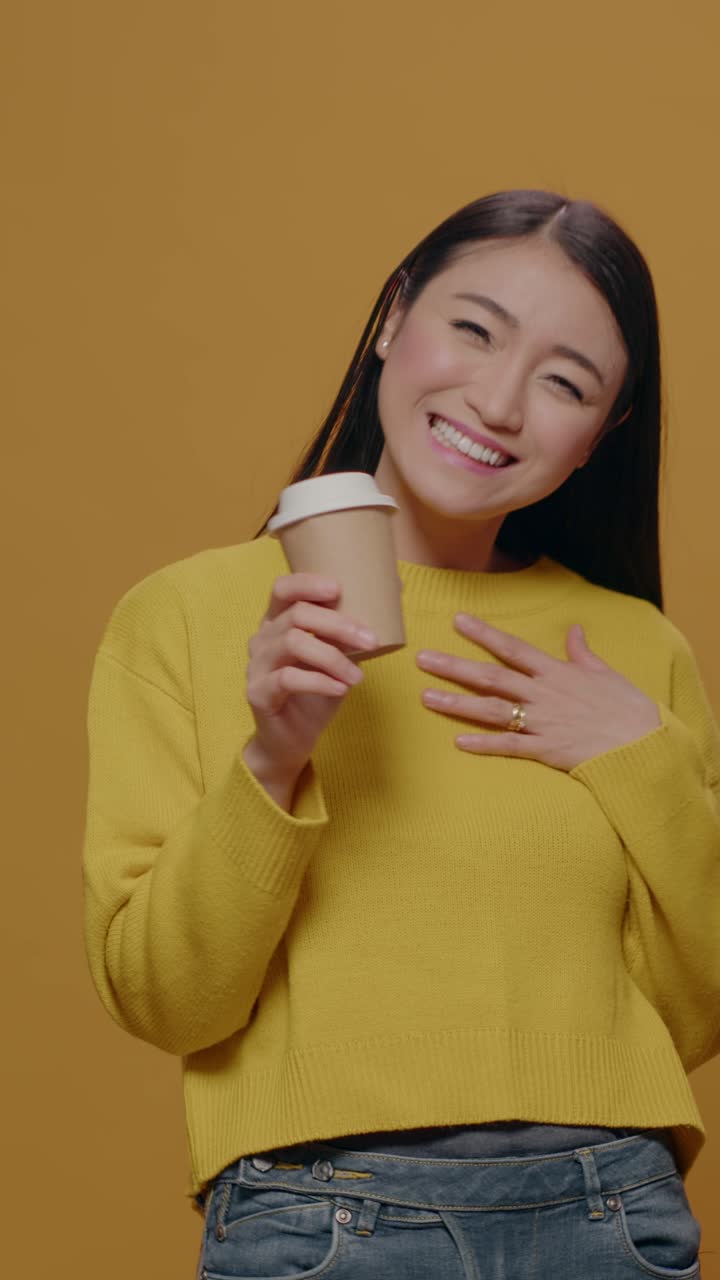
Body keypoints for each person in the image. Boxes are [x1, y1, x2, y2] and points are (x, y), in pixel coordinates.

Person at [82, 189, 720, 1278]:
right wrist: (272, 756)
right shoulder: (188, 613)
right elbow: (166, 996)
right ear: (393, 317)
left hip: (608, 1208)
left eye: (566, 382)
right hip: (319, 1219)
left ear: (598, 438)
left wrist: (637, 752)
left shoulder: (631, 648)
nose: (501, 399)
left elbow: (692, 1010)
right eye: (474, 329)